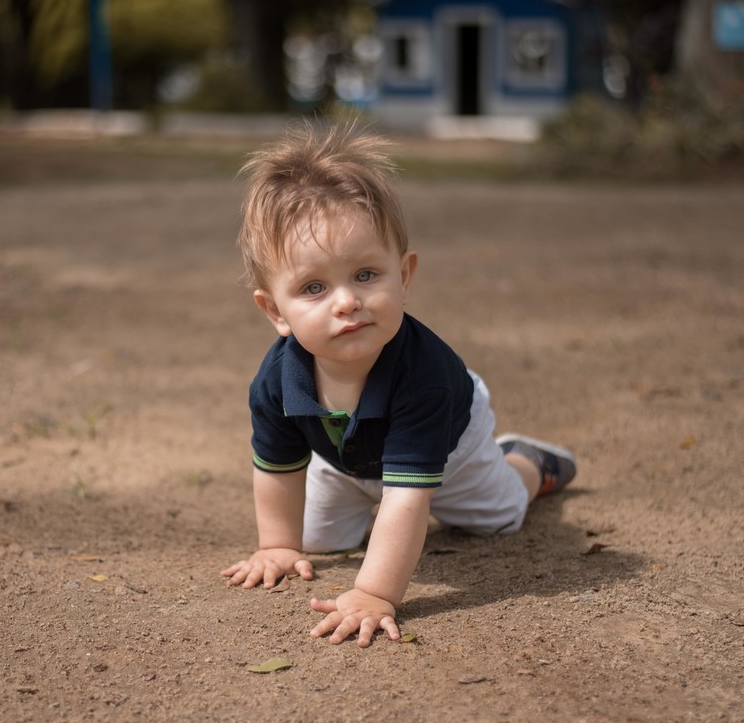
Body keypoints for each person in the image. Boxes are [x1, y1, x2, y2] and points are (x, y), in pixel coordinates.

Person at [221, 123, 576, 647]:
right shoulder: (277, 381)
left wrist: (374, 592)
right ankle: (362, 497)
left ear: (404, 276)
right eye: (314, 287)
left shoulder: (424, 381)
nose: (346, 301)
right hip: (347, 455)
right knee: (313, 539)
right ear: (275, 310)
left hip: (448, 443)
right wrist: (277, 544)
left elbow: (408, 502)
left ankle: (527, 462)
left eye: (366, 274)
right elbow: (276, 467)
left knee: (495, 517)